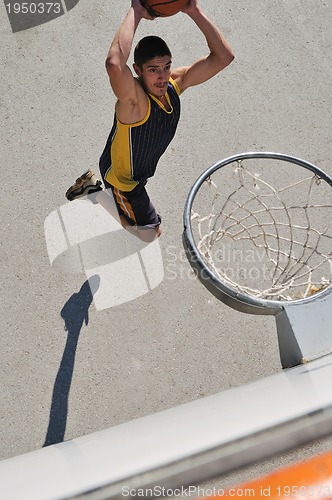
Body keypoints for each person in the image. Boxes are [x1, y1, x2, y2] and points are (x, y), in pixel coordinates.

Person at [65, 0, 234, 242]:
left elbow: (223, 58)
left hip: (136, 171)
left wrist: (193, 11)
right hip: (122, 180)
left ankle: (96, 190)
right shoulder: (134, 102)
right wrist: (136, 9)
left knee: (148, 229)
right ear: (138, 70)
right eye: (153, 69)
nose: (162, 76)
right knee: (149, 234)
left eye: (166, 67)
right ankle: (95, 191)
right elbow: (114, 64)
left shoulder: (175, 84)